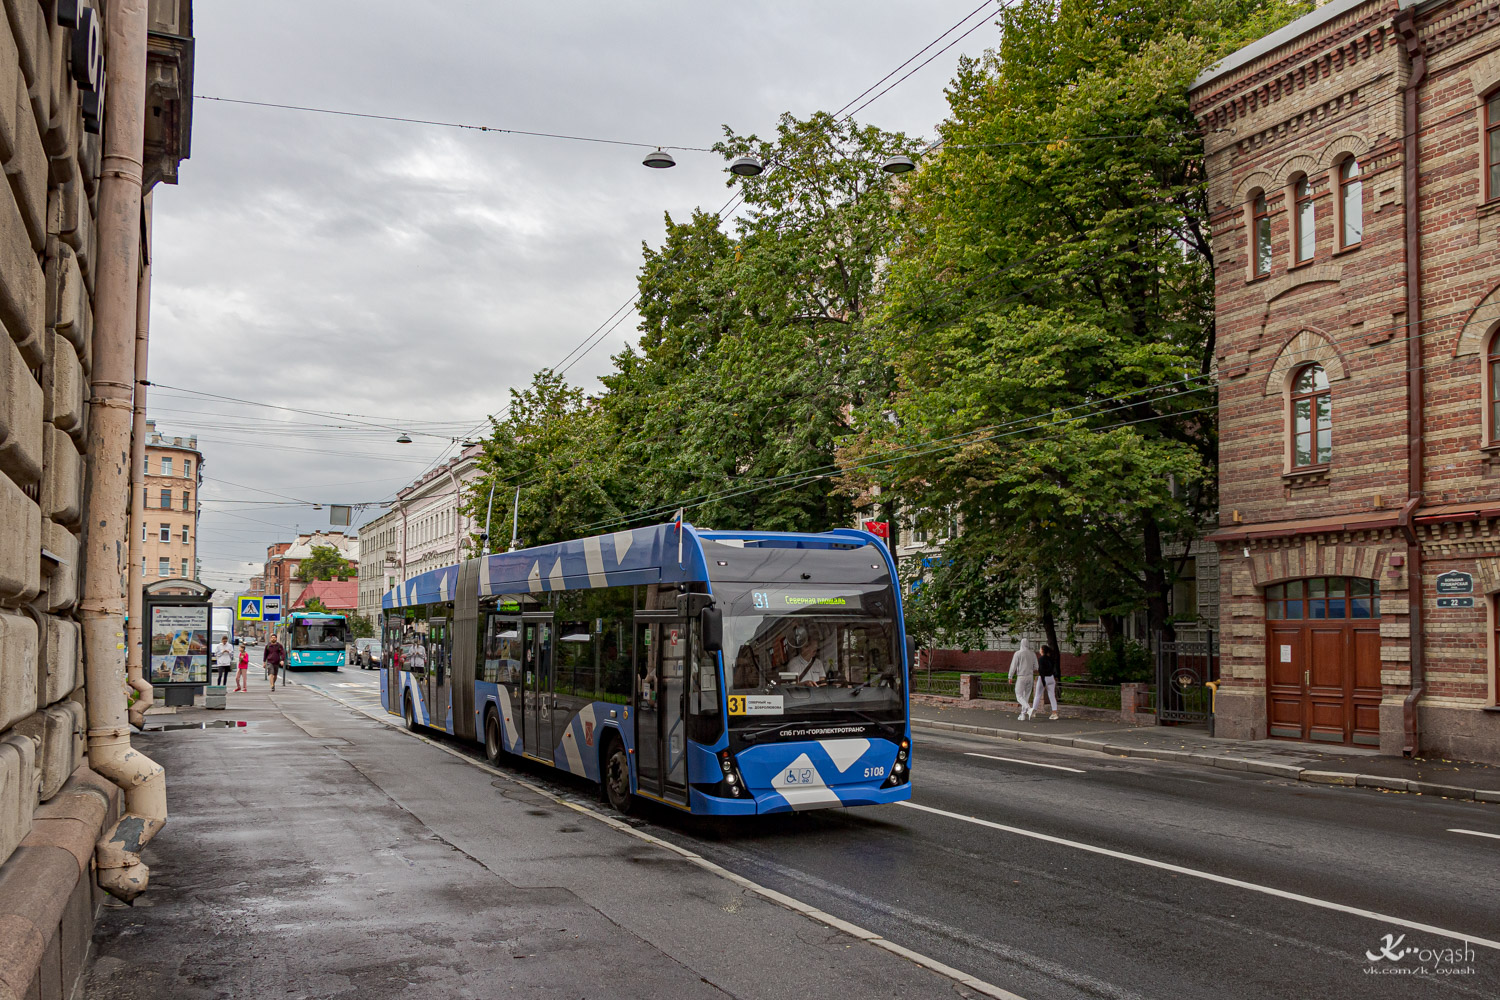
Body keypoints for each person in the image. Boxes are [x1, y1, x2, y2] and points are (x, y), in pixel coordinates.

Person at [1008, 638, 1038, 721]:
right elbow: (1036, 667)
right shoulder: (1032, 654)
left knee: (1019, 695)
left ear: (1021, 644)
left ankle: (1029, 709)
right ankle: (1023, 715)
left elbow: (1013, 666)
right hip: (1030, 676)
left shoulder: (1018, 653)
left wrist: (1010, 676)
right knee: (1026, 696)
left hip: (1021, 677)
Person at [1032, 642, 1061, 721]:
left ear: (1042, 651)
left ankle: (1033, 711)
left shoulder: (1041, 659)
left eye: (1040, 649)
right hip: (1051, 678)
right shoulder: (1051, 658)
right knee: (1052, 695)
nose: (1039, 650)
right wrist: (1055, 677)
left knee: (1037, 695)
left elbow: (1041, 671)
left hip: (1043, 678)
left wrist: (1043, 682)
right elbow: (1054, 669)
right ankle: (1054, 713)